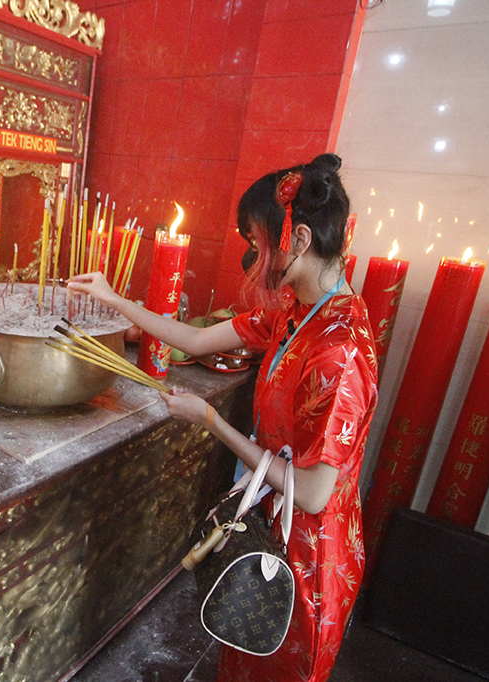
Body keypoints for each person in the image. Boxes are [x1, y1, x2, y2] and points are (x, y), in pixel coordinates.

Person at [68, 153, 378, 682]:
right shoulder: (296, 310)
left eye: (258, 243)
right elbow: (193, 338)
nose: (254, 256)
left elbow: (311, 494)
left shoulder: (340, 352)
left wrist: (210, 418)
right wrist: (113, 299)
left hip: (303, 567)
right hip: (266, 534)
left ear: (297, 241)